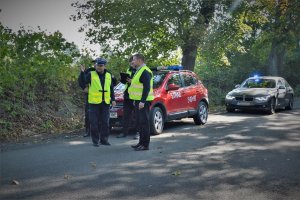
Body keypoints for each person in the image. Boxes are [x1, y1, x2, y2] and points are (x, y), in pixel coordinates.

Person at [84, 57, 116, 147]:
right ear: (95, 65)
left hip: (105, 102)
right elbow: (83, 82)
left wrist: (113, 99)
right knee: (94, 122)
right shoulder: (91, 74)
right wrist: (82, 73)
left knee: (105, 122)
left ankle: (104, 140)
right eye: (98, 65)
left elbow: (111, 88)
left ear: (104, 66)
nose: (99, 67)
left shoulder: (109, 75)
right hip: (94, 103)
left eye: (101, 66)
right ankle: (95, 141)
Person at [128, 53, 154, 151]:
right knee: (140, 123)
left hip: (144, 101)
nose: (132, 62)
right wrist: (136, 100)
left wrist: (142, 101)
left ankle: (145, 145)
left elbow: (146, 88)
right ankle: (140, 143)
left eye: (134, 60)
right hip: (138, 101)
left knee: (144, 123)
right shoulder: (138, 70)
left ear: (139, 60)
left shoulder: (145, 71)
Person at [116, 56, 138, 138]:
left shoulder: (140, 70)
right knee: (126, 115)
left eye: (133, 62)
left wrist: (132, 81)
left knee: (137, 115)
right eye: (131, 63)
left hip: (136, 95)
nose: (132, 64)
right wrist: (123, 80)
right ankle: (124, 132)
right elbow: (126, 83)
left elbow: (141, 83)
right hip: (127, 95)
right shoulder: (129, 70)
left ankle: (138, 133)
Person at [78, 65, 95, 137]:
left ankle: (98, 131)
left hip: (101, 98)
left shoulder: (104, 72)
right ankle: (88, 131)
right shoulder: (89, 71)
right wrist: (84, 87)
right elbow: (81, 80)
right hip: (90, 96)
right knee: (88, 114)